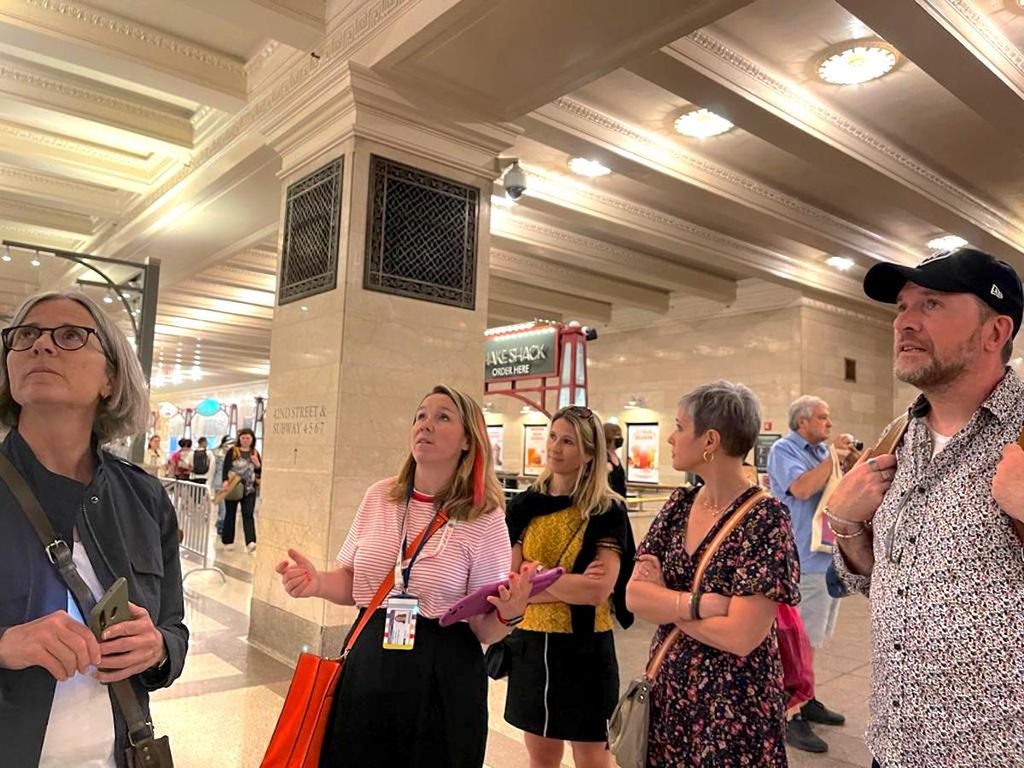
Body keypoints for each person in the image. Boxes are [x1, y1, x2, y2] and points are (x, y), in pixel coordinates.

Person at [825, 247, 1024, 768]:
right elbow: (883, 584)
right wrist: (846, 524)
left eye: (931, 305)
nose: (905, 323)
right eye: (902, 307)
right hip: (894, 743)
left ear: (995, 332)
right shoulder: (895, 438)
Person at [275, 385, 531, 767]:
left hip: (445, 672)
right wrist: (317, 583)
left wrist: (510, 612)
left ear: (467, 440)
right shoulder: (381, 496)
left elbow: (484, 629)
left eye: (443, 417)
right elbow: (354, 581)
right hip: (371, 659)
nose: (425, 424)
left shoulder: (484, 516)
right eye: (420, 415)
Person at [0, 291, 187, 767]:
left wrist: (157, 648)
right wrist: (5, 645)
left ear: (110, 377)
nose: (42, 346)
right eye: (26, 335)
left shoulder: (144, 499)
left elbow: (174, 630)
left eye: (69, 336)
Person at [627, 380, 800, 768]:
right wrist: (700, 604)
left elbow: (740, 636)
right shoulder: (679, 504)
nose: (671, 437)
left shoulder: (765, 519)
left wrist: (665, 603)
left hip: (734, 708)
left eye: (679, 426)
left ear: (710, 440)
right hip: (670, 696)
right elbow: (634, 596)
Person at [504, 405, 634, 768]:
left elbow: (598, 591)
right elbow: (512, 582)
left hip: (586, 646)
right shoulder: (524, 506)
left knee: (592, 756)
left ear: (590, 453)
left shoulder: (607, 510)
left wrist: (538, 577)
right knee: (541, 755)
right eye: (553, 437)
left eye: (569, 441)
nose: (555, 448)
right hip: (531, 643)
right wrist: (563, 581)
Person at [766, 395, 853, 752]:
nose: (828, 424)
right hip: (800, 560)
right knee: (795, 642)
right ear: (801, 422)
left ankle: (808, 696)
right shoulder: (784, 451)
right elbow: (801, 489)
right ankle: (790, 712)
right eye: (822, 417)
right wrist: (833, 456)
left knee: (813, 640)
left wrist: (847, 459)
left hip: (825, 559)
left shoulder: (821, 454)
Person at [219, 428, 261, 552]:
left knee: (248, 514)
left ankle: (251, 541)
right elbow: (226, 467)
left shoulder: (255, 453)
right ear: (239, 439)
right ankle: (228, 541)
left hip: (249, 488)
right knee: (230, 513)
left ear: (252, 439)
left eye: (248, 438)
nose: (245, 440)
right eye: (243, 438)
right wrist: (225, 481)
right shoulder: (233, 451)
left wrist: (257, 463)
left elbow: (259, 471)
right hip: (234, 486)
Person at [212, 435, 231, 535]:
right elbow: (213, 470)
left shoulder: (233, 456)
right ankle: (221, 526)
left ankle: (221, 524)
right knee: (222, 507)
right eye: (227, 445)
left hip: (230, 484)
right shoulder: (216, 455)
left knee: (225, 507)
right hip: (219, 484)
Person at [604, 421, 627, 498]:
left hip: (620, 499)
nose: (620, 439)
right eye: (617, 436)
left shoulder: (616, 456)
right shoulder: (603, 457)